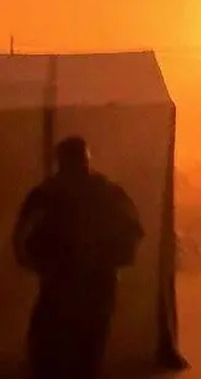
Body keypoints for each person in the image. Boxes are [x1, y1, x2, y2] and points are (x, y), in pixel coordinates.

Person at [12, 137, 145, 379]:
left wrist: (35, 262)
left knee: (47, 345)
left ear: (60, 161)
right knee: (90, 346)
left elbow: (22, 234)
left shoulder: (47, 192)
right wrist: (111, 257)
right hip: (98, 281)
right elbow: (133, 230)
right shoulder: (108, 191)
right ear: (87, 159)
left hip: (59, 280)